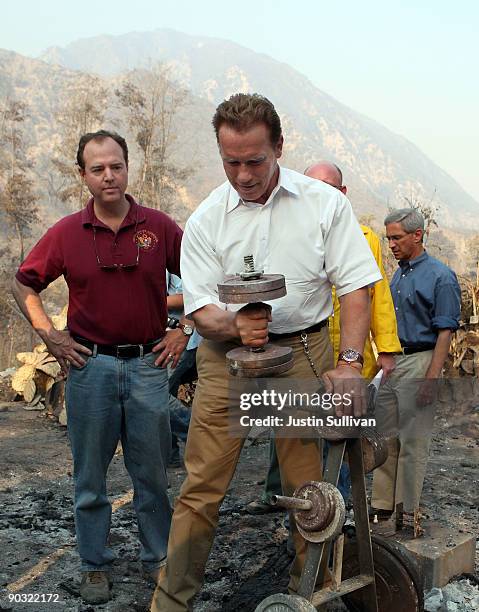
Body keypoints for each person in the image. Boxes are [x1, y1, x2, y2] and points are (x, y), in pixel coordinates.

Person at [151, 93, 382, 611]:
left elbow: (355, 287)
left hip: (302, 348)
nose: (244, 175)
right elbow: (199, 310)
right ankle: (171, 602)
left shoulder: (325, 204)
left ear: (279, 146)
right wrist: (235, 324)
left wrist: (348, 365)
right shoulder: (208, 218)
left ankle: (314, 595)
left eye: (255, 160)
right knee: (201, 487)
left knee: (309, 489)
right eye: (231, 162)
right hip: (223, 356)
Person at [12, 130, 183, 605]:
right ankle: (94, 564)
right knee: (90, 476)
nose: (109, 176)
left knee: (151, 473)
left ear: (128, 168)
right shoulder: (67, 233)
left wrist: (184, 328)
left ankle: (159, 561)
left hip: (149, 364)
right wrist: (50, 334)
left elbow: (206, 274)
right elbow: (24, 283)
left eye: (116, 166)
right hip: (90, 368)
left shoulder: (160, 227)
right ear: (82, 175)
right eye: (97, 168)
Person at [247, 161, 402, 513]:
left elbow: (375, 296)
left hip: (347, 355)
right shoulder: (288, 230)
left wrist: (387, 347)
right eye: (313, 185)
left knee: (341, 434)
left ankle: (339, 509)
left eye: (329, 187)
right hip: (302, 352)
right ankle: (285, 501)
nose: (321, 194)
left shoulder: (365, 238)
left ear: (342, 194)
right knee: (291, 428)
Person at [371, 208, 461, 519]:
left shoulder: (441, 277)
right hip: (393, 363)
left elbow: (445, 332)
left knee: (413, 443)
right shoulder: (399, 274)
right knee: (386, 439)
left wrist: (431, 379)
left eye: (396, 238)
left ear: (417, 235)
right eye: (388, 239)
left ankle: (407, 513)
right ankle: (382, 510)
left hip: (421, 361)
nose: (391, 244)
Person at [165, 272, 199, 467]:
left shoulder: (180, 245)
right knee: (162, 392)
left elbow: (190, 294)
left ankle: (201, 441)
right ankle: (169, 455)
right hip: (161, 338)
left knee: (155, 393)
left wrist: (147, 300)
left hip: (181, 339)